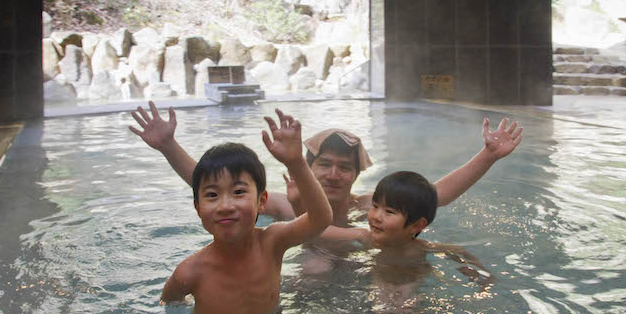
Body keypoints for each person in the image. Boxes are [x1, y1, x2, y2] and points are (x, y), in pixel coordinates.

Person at [160, 109, 332, 314]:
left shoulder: (272, 242)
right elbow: (170, 302)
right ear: (198, 207)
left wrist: (296, 162)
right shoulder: (190, 271)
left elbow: (320, 218)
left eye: (239, 192)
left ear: (262, 201)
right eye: (212, 195)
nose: (225, 205)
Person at [128, 102, 523, 228]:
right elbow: (220, 192)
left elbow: (435, 195)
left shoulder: (368, 206)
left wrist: (487, 156)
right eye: (325, 165)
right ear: (308, 168)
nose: (334, 175)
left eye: (344, 168)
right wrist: (169, 147)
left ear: (356, 173)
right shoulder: (287, 206)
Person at [320, 171, 493, 313]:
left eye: (389, 211)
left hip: (409, 283)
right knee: (381, 308)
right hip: (380, 280)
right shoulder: (363, 237)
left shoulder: (420, 248)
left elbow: (458, 252)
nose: (376, 216)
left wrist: (481, 278)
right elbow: (318, 231)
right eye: (375, 206)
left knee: (405, 311)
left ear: (417, 225)